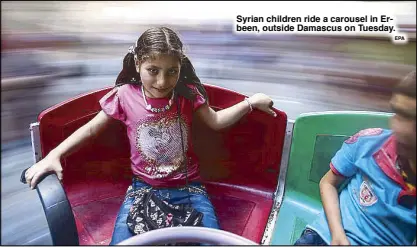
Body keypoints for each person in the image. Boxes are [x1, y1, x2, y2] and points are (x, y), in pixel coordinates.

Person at [24, 27, 277, 245]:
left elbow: (216, 121)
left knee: (215, 242)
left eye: (172, 71)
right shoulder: (124, 96)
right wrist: (54, 155)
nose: (162, 81)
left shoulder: (187, 94)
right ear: (138, 64)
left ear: (180, 68)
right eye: (153, 70)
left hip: (190, 189)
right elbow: (90, 129)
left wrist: (250, 103)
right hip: (142, 190)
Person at [294, 70, 416, 246]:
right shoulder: (368, 143)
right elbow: (328, 183)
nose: (400, 128)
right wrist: (337, 235)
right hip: (326, 235)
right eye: (398, 113)